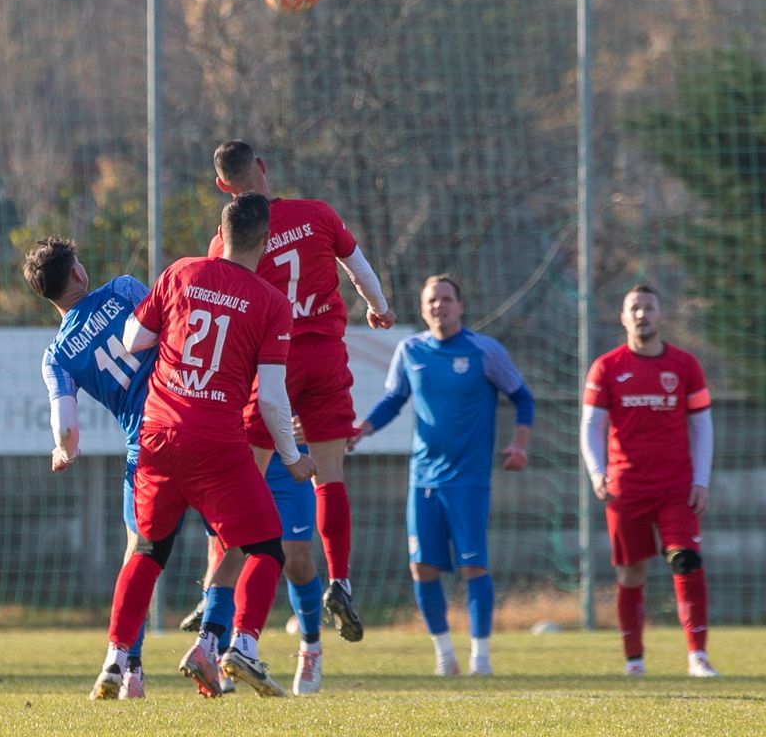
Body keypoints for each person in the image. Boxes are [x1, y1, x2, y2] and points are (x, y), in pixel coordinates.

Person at [92, 191, 318, 699]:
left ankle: (115, 660)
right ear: (265, 241)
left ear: (222, 230)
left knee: (148, 550)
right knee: (265, 546)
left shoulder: (181, 272)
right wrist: (293, 458)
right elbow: (274, 402)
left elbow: (133, 340)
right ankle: (243, 647)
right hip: (216, 440)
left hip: (158, 434)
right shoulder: (270, 303)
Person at [209, 139, 397, 644]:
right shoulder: (316, 214)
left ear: (224, 187)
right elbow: (358, 269)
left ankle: (215, 621)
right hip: (326, 357)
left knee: (242, 489)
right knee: (330, 477)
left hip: (273, 366)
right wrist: (378, 307)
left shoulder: (226, 242)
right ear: (264, 168)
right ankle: (342, 580)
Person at [348, 275, 533, 676]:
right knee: (422, 568)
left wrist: (519, 444)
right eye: (432, 300)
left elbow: (523, 398)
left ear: (460, 306)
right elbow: (393, 399)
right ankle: (444, 655)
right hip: (423, 479)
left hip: (469, 480)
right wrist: (362, 429)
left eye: (446, 299)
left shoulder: (485, 351)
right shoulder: (410, 350)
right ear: (422, 307)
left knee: (473, 567)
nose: (439, 306)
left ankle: (480, 657)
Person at [23, 236, 159, 700]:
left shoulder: (57, 355)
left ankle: (129, 666)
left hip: (145, 445)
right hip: (192, 420)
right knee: (229, 536)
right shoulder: (123, 289)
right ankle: (221, 642)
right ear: (79, 274)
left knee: (137, 553)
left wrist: (64, 452)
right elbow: (173, 328)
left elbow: (66, 430)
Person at [578, 284, 719, 678]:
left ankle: (698, 657)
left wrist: (701, 480)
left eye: (649, 307)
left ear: (661, 315)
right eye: (634, 309)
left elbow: (702, 426)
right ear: (623, 317)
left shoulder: (685, 365)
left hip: (676, 488)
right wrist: (596, 472)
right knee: (631, 573)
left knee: (687, 562)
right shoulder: (607, 367)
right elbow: (591, 426)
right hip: (627, 489)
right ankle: (634, 661)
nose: (642, 314)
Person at [180, 425, 329, 695]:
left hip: (287, 464)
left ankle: (311, 648)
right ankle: (219, 656)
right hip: (240, 456)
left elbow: (324, 399)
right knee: (228, 553)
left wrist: (318, 425)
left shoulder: (289, 381)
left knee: (297, 560)